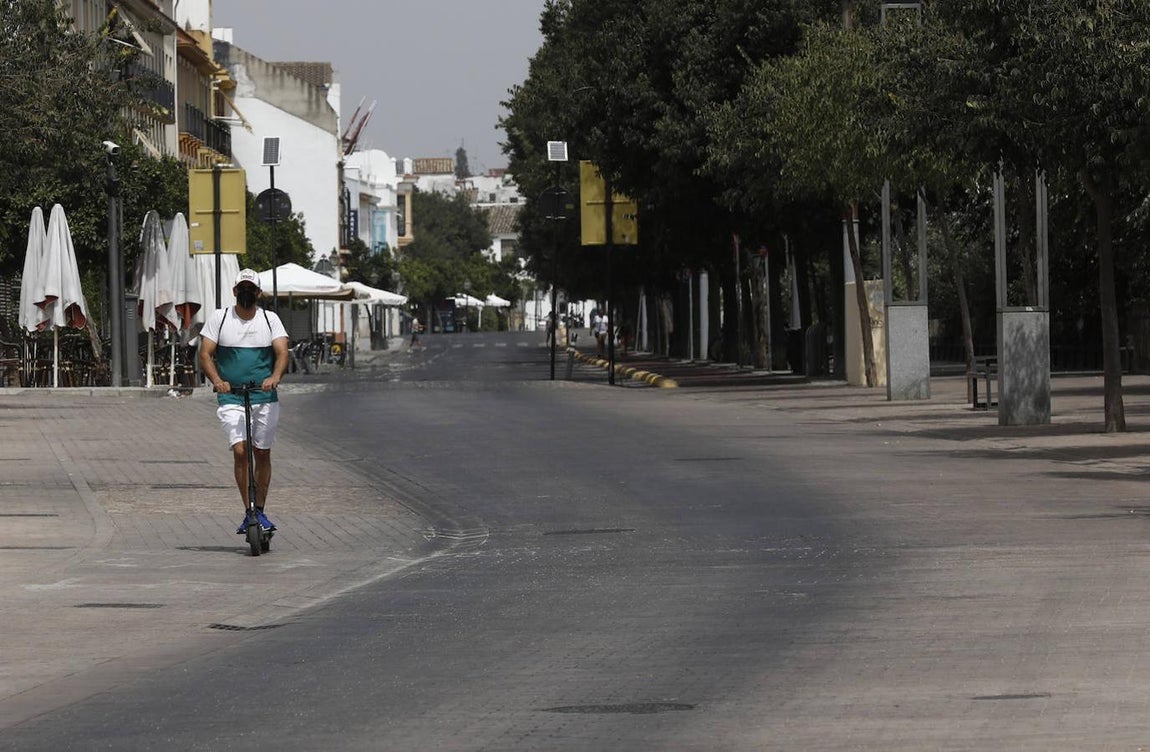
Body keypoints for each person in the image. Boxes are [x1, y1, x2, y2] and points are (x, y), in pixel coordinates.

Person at [198, 269, 290, 535]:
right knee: (240, 450)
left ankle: (259, 509)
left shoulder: (270, 320)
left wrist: (274, 376)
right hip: (231, 395)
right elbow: (205, 354)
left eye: (252, 289)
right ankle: (248, 509)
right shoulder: (221, 318)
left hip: (264, 396)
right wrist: (217, 380)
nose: (247, 293)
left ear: (258, 293)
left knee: (262, 452)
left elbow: (282, 352)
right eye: (243, 288)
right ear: (235, 291)